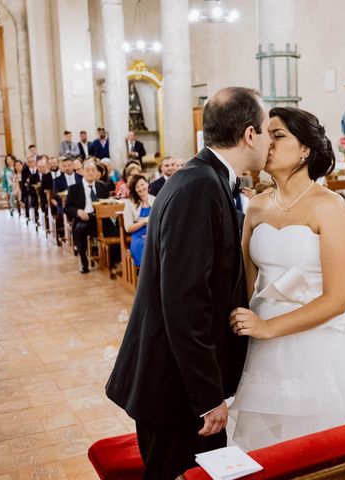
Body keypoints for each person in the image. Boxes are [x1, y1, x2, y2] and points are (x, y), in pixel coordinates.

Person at [105, 86, 271, 480]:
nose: (267, 141)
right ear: (249, 134)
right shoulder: (199, 187)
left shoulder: (202, 178)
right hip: (175, 388)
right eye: (265, 131)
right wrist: (207, 397)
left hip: (178, 382)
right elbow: (184, 302)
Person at [228, 106, 345, 451]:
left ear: (306, 149)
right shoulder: (257, 206)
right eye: (266, 134)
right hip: (260, 342)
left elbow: (338, 297)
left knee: (319, 447)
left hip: (313, 342)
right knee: (266, 447)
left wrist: (270, 327)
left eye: (278, 135)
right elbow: (244, 284)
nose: (268, 142)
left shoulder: (329, 206)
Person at [65, 160, 110, 273]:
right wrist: (78, 212)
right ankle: (83, 261)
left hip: (100, 218)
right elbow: (67, 208)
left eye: (93, 170)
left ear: (97, 173)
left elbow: (108, 202)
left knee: (114, 229)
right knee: (80, 230)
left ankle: (112, 261)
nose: (90, 173)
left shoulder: (103, 186)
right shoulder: (74, 188)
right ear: (82, 172)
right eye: (87, 170)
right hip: (84, 219)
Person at [123, 174, 155, 267]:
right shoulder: (129, 203)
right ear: (134, 189)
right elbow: (128, 228)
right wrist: (144, 221)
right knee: (145, 245)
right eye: (137, 187)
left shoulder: (155, 199)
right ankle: (147, 276)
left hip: (153, 234)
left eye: (142, 184)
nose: (141, 188)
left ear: (147, 184)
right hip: (139, 236)